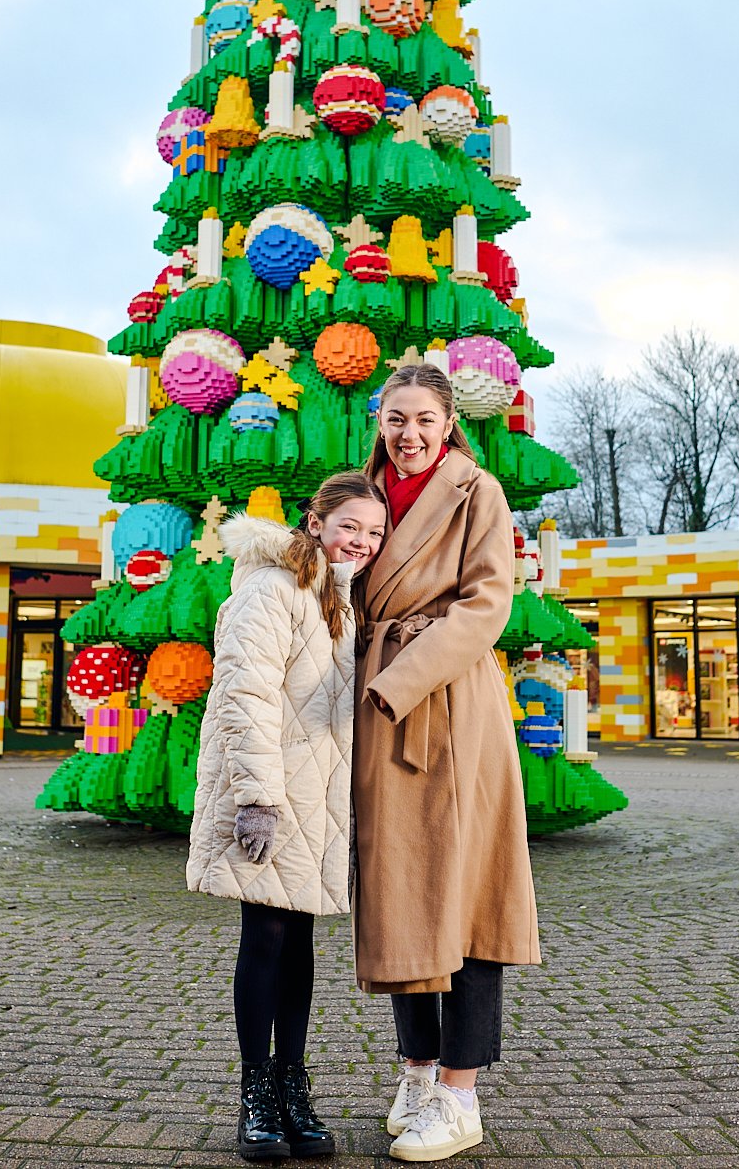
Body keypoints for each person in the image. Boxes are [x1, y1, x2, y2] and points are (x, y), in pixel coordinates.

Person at [351, 363, 541, 1163]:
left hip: (450, 708)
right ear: (380, 420)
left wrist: (397, 678)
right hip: (376, 708)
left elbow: (487, 604)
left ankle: (462, 1095)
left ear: (449, 419)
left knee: (465, 897)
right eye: (397, 418)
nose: (410, 434)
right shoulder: (359, 489)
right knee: (399, 891)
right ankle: (418, 1074)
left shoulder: (477, 492)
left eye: (425, 419)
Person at [187, 470, 389, 1162]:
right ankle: (255, 1094)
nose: (360, 542)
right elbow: (246, 697)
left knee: (299, 940)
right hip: (270, 797)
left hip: (319, 799)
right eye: (350, 527)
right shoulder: (272, 591)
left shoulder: (343, 599)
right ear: (316, 522)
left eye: (373, 533)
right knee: (265, 935)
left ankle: (293, 1085)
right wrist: (257, 798)